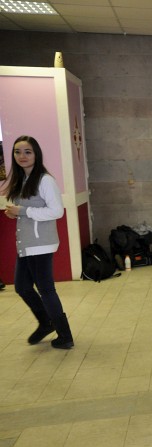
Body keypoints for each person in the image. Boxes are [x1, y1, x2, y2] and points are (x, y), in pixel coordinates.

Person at [4, 135, 74, 349]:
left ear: (36, 154)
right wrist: (16, 213)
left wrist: (23, 211)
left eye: (28, 152)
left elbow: (57, 211)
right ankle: (46, 323)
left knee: (46, 289)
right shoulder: (22, 180)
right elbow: (28, 210)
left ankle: (65, 336)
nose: (22, 156)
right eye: (17, 152)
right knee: (22, 287)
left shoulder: (45, 180)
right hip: (26, 244)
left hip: (40, 244)